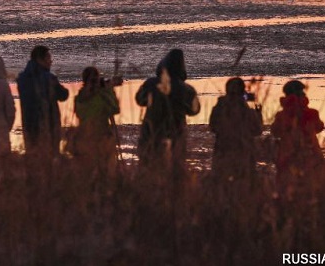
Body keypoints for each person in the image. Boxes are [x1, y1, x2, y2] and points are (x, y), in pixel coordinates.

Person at [136, 49, 200, 177]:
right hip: (176, 134)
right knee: (175, 170)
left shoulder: (151, 84)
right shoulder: (186, 89)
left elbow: (140, 99)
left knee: (149, 169)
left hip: (151, 134)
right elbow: (194, 110)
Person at [270, 80, 324, 197]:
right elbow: (319, 127)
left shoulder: (281, 115)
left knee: (286, 189)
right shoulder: (312, 113)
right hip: (310, 155)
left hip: (286, 156)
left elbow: (275, 132)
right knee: (311, 188)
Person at [16, 45, 69, 156]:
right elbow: (63, 95)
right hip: (48, 125)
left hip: (28, 125)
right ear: (40, 59)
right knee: (50, 158)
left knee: (33, 157)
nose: (51, 62)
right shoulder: (48, 78)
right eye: (48, 58)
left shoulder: (22, 79)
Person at [208, 77, 263, 182]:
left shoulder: (219, 108)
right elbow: (257, 130)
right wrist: (258, 114)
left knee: (222, 184)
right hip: (243, 154)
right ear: (242, 91)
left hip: (222, 152)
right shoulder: (247, 111)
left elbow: (213, 127)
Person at [71, 66, 121, 165]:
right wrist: (108, 90)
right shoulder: (101, 97)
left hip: (84, 138)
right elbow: (115, 109)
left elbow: (78, 114)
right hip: (102, 138)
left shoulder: (79, 98)